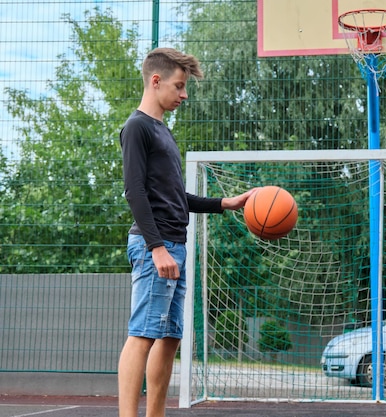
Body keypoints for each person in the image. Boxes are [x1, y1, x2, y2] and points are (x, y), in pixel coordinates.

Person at [118, 47, 256, 417]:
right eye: (179, 86)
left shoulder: (161, 130)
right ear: (156, 80)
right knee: (143, 332)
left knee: (170, 336)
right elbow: (135, 191)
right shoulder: (136, 127)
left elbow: (175, 196)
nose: (184, 94)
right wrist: (156, 248)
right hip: (156, 246)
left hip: (173, 244)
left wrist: (225, 203)